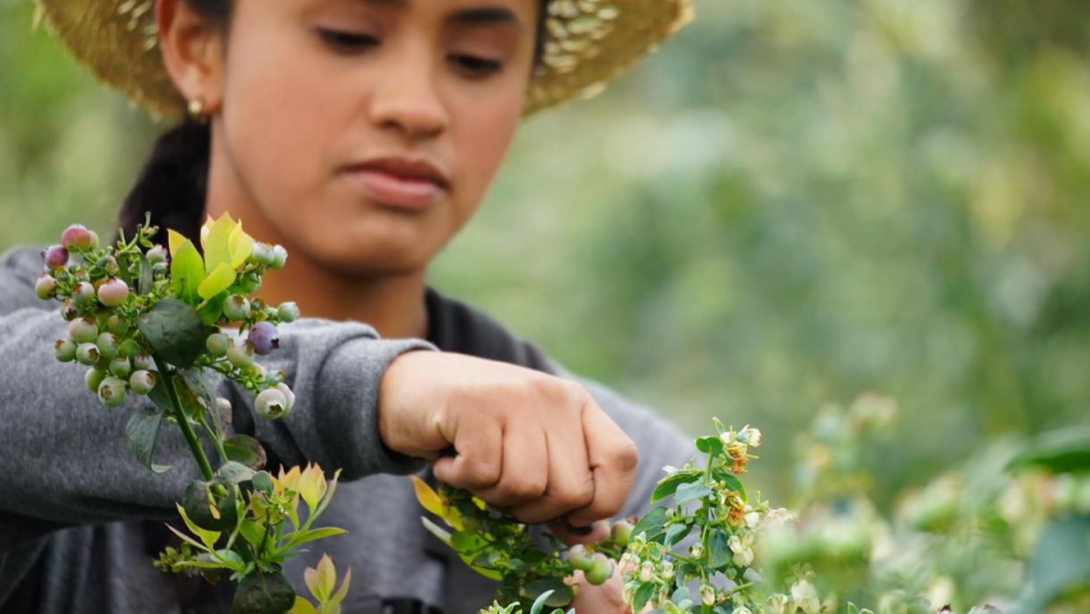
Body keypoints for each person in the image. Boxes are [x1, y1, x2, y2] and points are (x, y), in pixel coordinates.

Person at [0, 0, 697, 612]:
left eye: (475, 59)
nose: (417, 106)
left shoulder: (623, 478)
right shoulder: (40, 343)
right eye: (350, 35)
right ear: (195, 46)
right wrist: (376, 391)